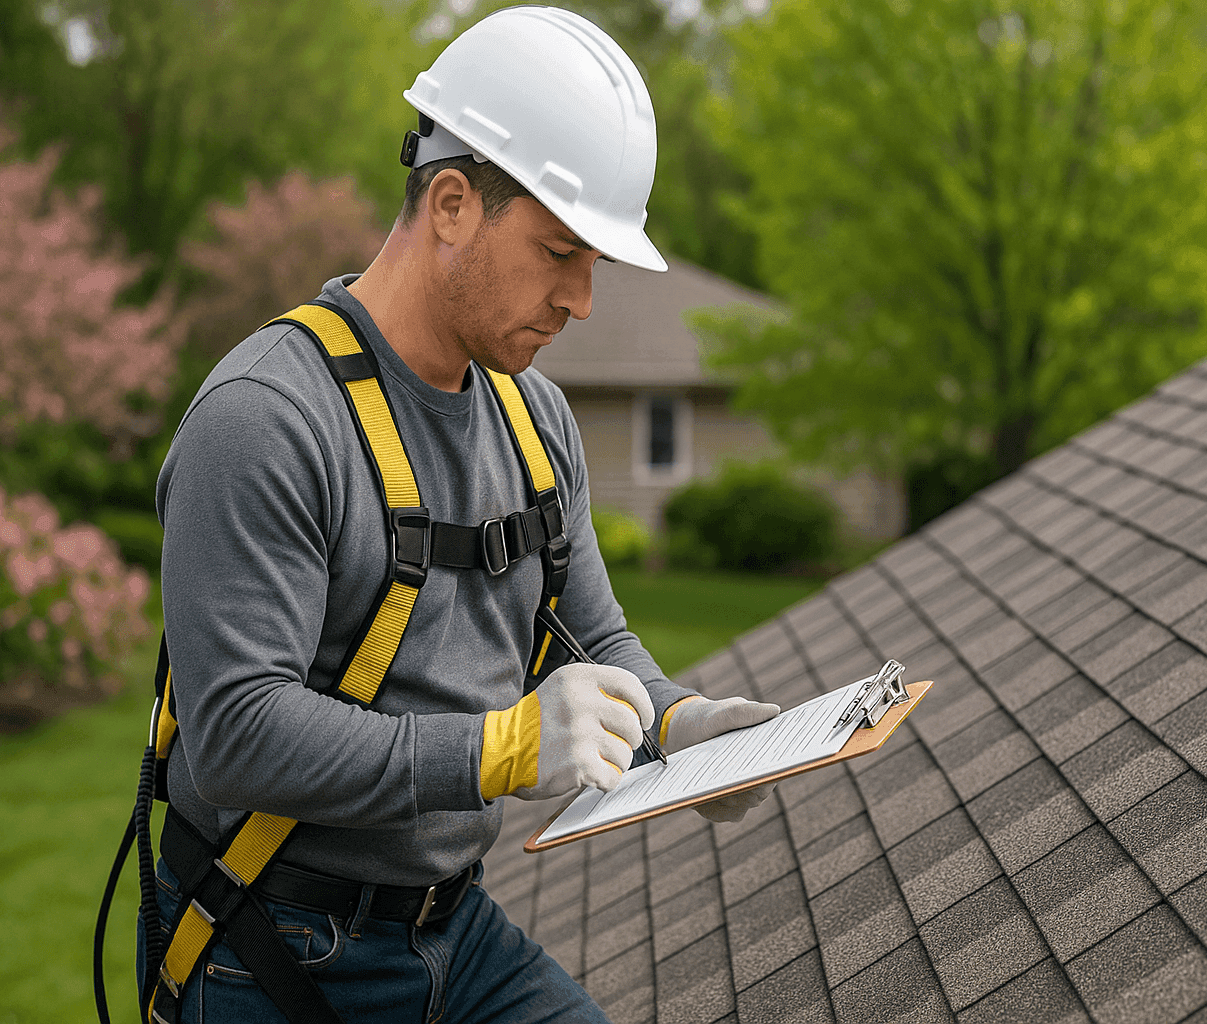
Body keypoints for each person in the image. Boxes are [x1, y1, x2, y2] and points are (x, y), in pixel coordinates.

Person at [142, 7, 779, 1021]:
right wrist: (497, 751)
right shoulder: (265, 419)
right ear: (449, 204)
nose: (581, 300)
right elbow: (233, 735)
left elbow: (592, 637)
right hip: (271, 945)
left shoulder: (536, 421)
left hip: (455, 931)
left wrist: (682, 725)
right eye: (559, 252)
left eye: (595, 265)